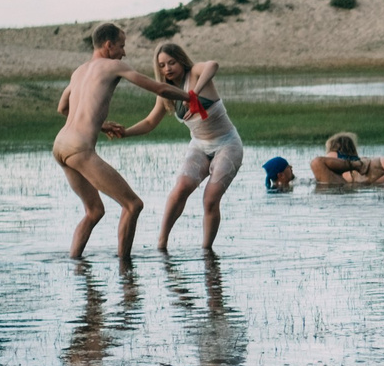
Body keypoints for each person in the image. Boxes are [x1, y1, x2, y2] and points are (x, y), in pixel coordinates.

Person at [53, 22, 193, 260]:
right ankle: (125, 270)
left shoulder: (78, 71)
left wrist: (102, 124)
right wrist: (191, 97)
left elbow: (62, 107)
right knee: (133, 205)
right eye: (121, 45)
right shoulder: (113, 66)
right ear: (108, 45)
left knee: (94, 211)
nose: (123, 52)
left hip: (60, 146)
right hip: (79, 148)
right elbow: (158, 87)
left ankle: (75, 264)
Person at [108, 41, 243, 253]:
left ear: (181, 60)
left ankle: (206, 252)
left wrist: (194, 94)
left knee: (210, 199)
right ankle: (162, 244)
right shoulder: (166, 93)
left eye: (171, 62)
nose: (167, 68)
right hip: (199, 145)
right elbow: (150, 122)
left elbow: (213, 65)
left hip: (227, 143)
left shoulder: (195, 74)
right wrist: (125, 133)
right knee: (180, 189)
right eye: (162, 65)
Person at [313, 132, 384, 188]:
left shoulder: (333, 154)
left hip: (351, 181)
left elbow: (319, 163)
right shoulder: (363, 162)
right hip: (369, 175)